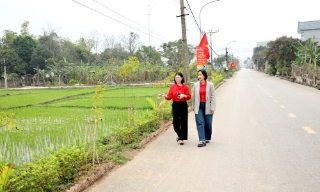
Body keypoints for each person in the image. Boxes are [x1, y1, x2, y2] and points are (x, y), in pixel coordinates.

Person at [159, 72, 191, 145]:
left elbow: (189, 96)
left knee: (183, 121)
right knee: (175, 122)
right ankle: (179, 134)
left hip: (183, 104)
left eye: (178, 77)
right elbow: (169, 97)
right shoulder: (172, 87)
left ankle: (181, 138)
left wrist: (184, 96)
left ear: (182, 78)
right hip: (175, 105)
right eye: (176, 77)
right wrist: (165, 96)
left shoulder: (185, 87)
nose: (177, 79)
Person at [191, 69, 216, 147]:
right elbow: (194, 97)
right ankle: (202, 140)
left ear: (204, 76)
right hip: (198, 106)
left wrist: (212, 108)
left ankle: (207, 137)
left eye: (200, 75)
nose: (199, 76)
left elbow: (212, 96)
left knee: (208, 123)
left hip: (207, 105)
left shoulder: (210, 85)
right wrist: (193, 106)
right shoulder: (195, 85)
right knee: (200, 122)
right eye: (198, 75)